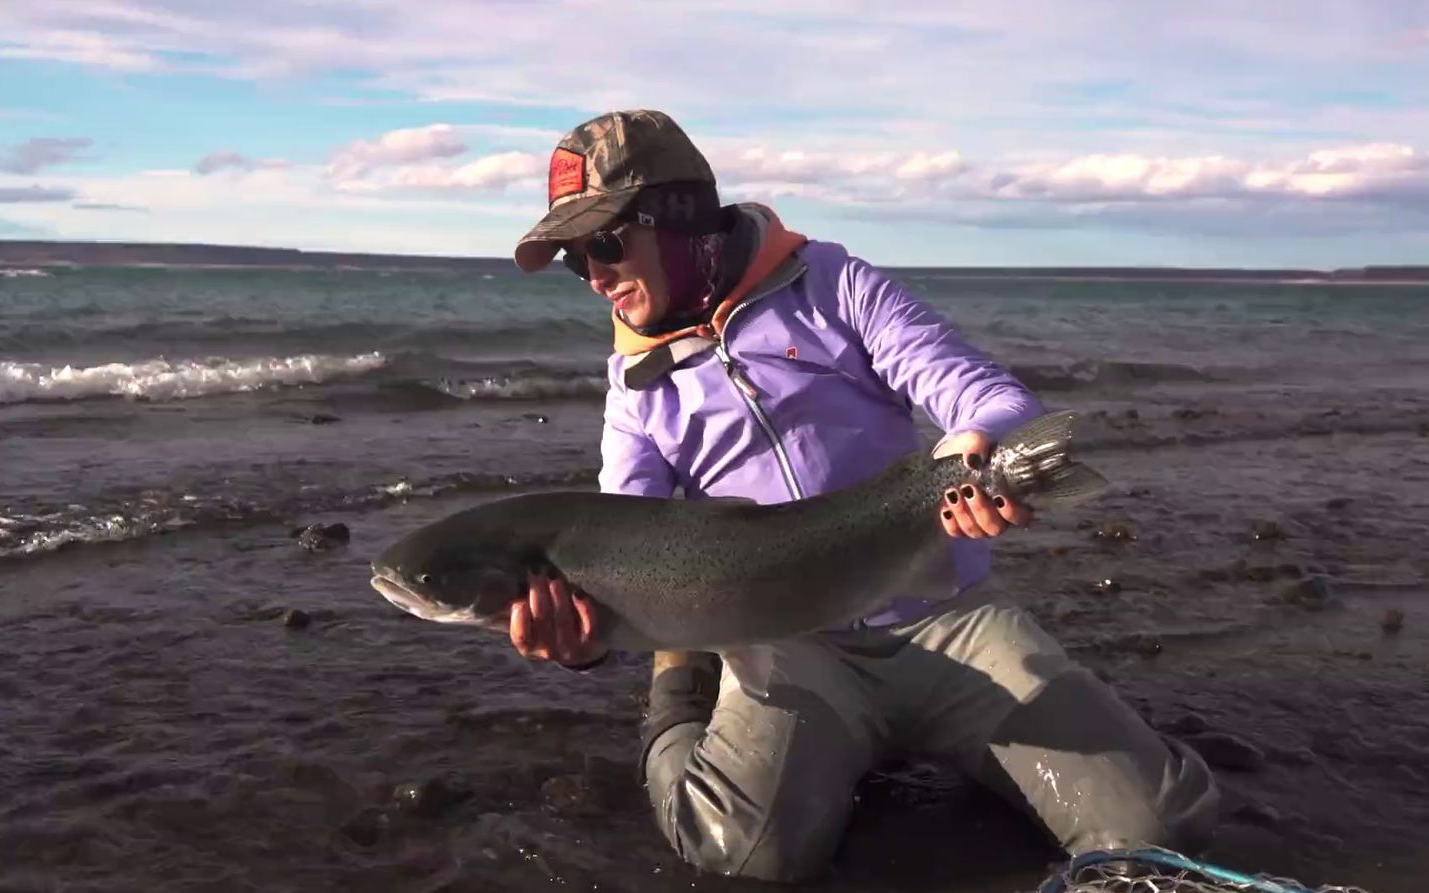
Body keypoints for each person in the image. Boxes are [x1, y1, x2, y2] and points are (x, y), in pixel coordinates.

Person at [506, 109, 1219, 882]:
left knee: (1152, 828)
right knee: (742, 854)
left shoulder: (834, 285)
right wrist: (590, 639)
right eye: (577, 262)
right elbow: (626, 538)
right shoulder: (635, 389)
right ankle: (680, 701)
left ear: (679, 219)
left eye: (605, 244)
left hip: (945, 617)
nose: (596, 275)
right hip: (788, 642)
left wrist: (976, 448)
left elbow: (991, 398)